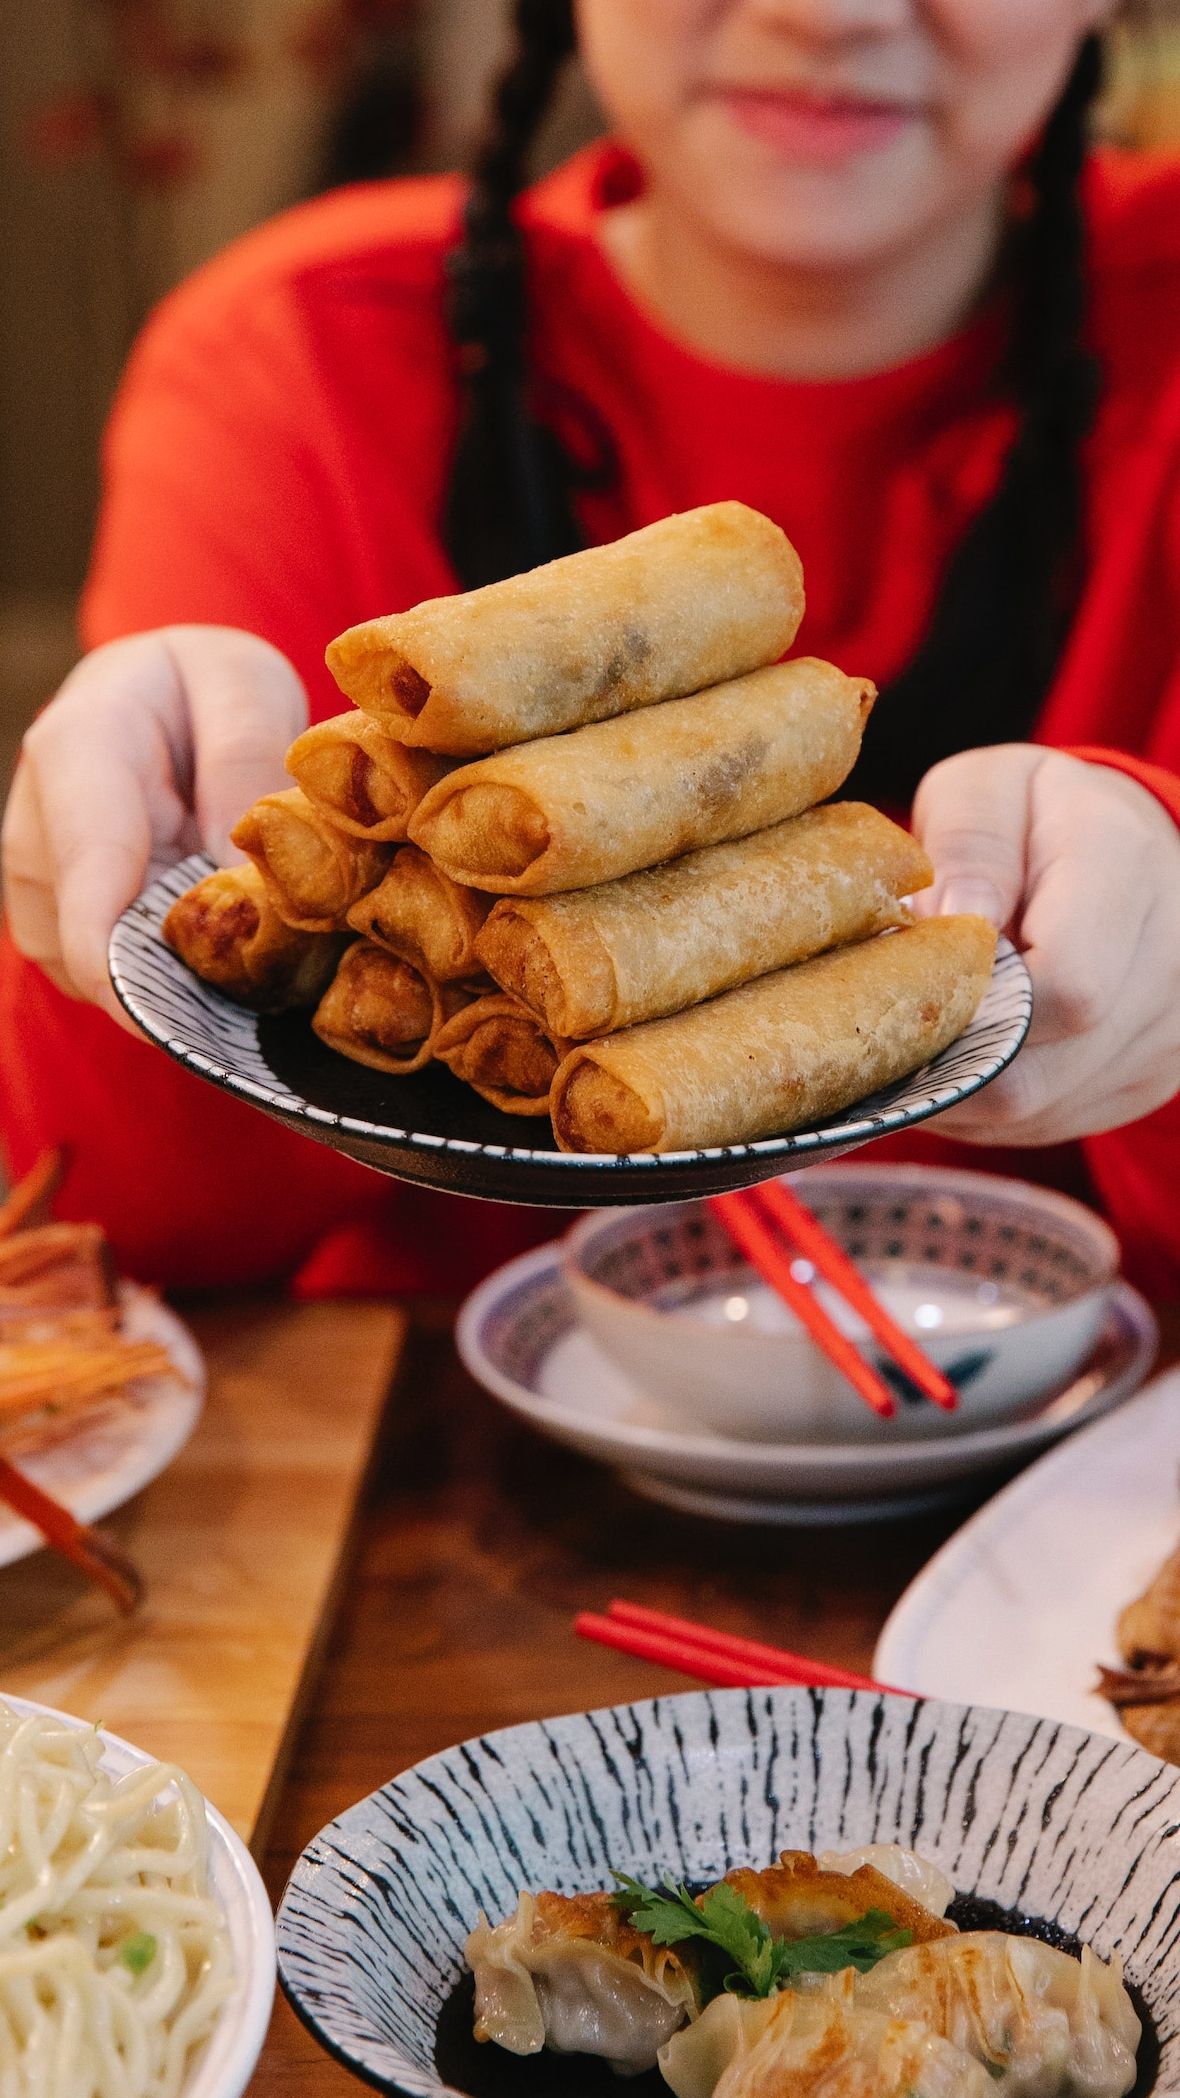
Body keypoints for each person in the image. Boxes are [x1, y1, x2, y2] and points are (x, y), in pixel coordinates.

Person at [3, 0, 1179, 1298]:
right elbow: (94, 1231)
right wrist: (123, 919)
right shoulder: (300, 360)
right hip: (421, 1456)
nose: (826, 11)